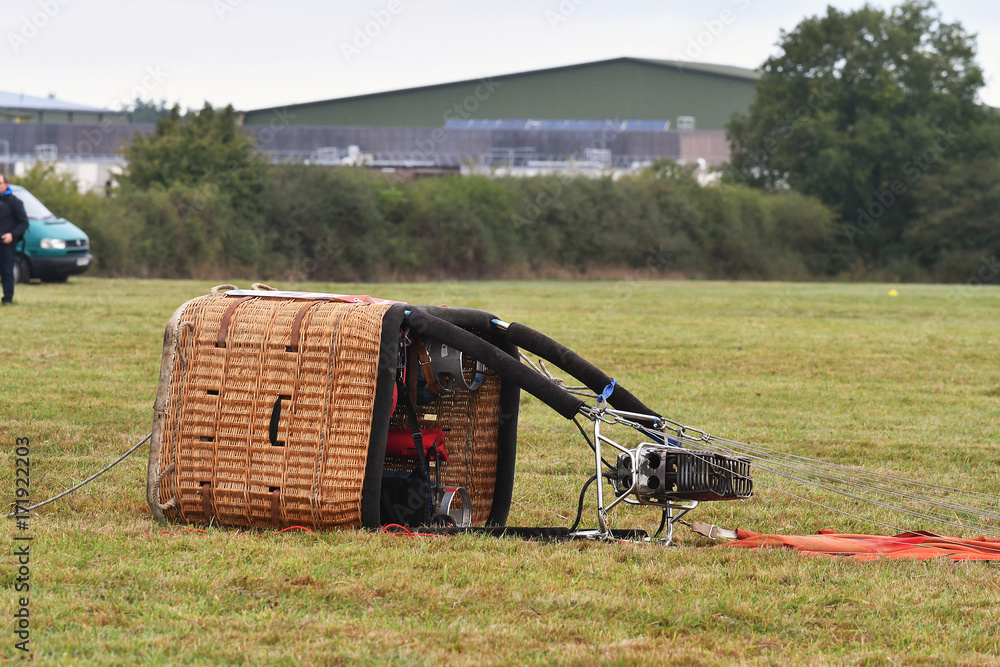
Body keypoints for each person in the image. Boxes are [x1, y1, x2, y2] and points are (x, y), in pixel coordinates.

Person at [0, 174, 29, 305]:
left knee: (7, 272)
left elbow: (24, 223)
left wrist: (12, 235)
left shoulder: (15, 202)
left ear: (6, 185)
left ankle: (7, 299)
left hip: (6, 244)